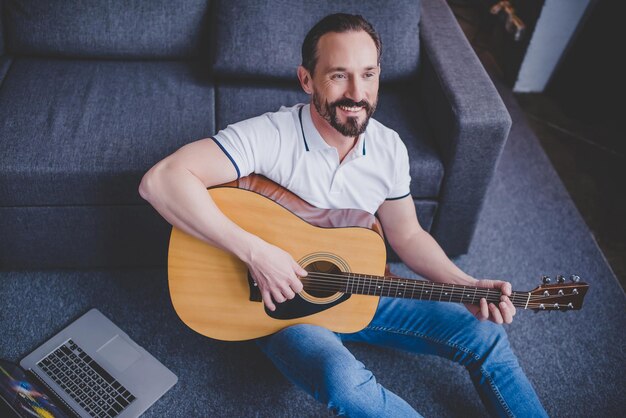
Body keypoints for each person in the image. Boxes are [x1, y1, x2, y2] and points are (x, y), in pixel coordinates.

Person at [139, 13, 547, 418]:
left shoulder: (389, 148)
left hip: (361, 286)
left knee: (486, 335)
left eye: (368, 75)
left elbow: (407, 236)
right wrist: (257, 253)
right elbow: (160, 181)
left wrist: (466, 284)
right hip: (279, 309)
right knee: (345, 383)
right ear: (306, 79)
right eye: (338, 75)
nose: (357, 92)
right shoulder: (269, 136)